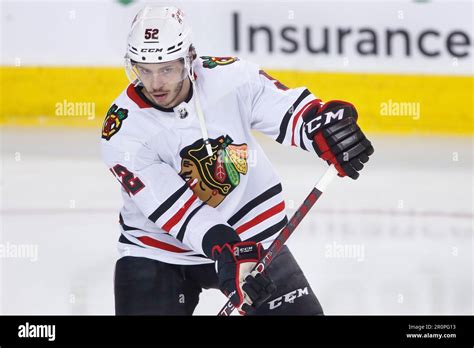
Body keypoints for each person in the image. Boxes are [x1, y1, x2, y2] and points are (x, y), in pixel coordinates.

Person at [101, 5, 374, 315]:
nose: (155, 84)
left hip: (251, 235)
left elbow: (290, 112)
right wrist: (228, 252)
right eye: (144, 70)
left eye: (167, 68)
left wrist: (320, 129)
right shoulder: (124, 132)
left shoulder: (230, 78)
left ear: (189, 58)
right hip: (159, 251)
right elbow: (182, 214)